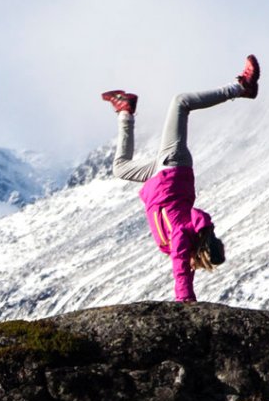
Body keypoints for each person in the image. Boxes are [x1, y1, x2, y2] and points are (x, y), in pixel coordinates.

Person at [101, 56, 260, 302]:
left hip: (158, 177)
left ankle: (125, 109)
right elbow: (181, 269)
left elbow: (183, 263)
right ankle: (243, 88)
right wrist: (185, 299)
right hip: (171, 167)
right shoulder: (185, 233)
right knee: (180, 103)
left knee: (120, 168)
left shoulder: (180, 241)